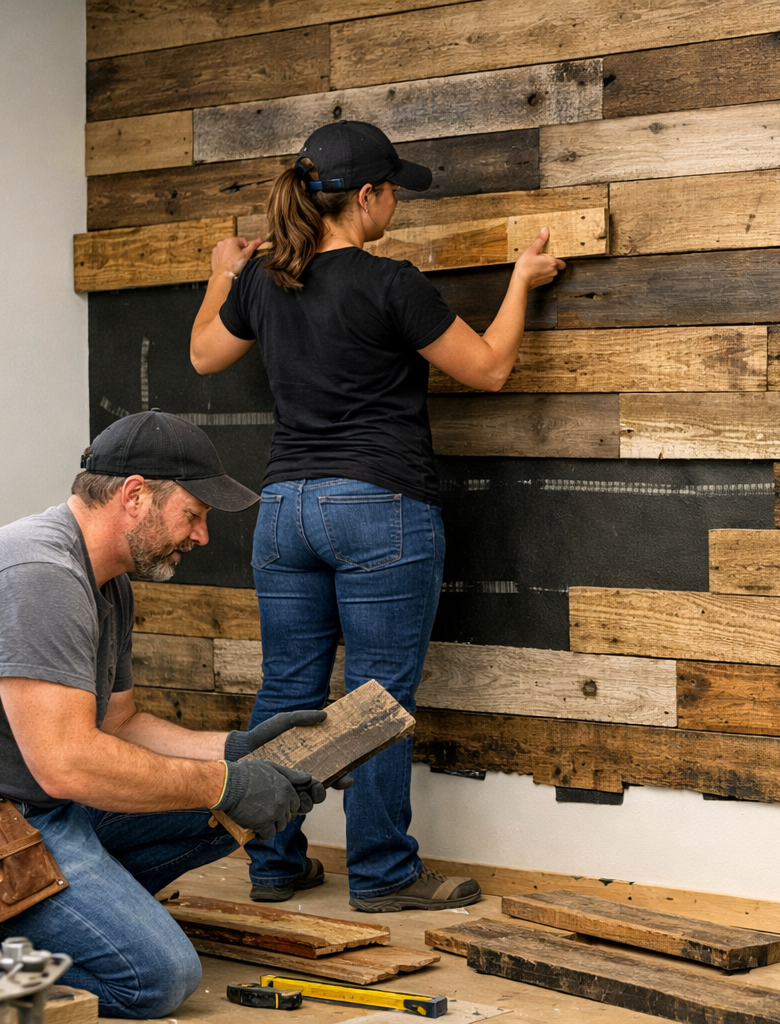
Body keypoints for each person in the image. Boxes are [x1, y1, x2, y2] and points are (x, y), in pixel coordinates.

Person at [187, 120, 565, 912]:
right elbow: (491, 369)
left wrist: (223, 275)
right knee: (377, 699)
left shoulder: (264, 281)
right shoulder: (391, 283)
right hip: (378, 508)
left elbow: (203, 356)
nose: (396, 203)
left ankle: (274, 865)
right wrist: (523, 280)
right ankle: (385, 875)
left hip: (283, 509)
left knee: (287, 689)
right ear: (365, 197)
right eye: (393, 190)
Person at [0, 411, 339, 1018]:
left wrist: (235, 752)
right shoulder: (39, 576)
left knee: (219, 812)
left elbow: (117, 725)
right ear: (135, 495)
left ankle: (72, 911)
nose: (200, 537)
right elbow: (68, 765)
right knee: (158, 978)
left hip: (29, 805)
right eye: (192, 515)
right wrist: (224, 782)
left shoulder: (106, 581)